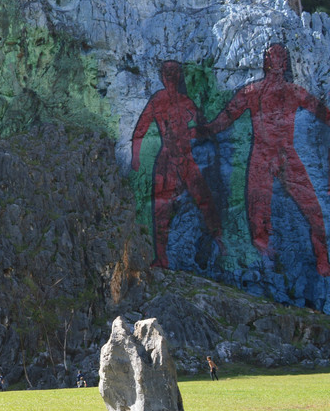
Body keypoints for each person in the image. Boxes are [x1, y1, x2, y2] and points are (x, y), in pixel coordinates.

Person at [204, 43, 330, 275]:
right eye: (271, 57)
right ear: (266, 62)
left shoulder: (294, 92)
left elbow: (323, 113)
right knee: (257, 211)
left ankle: (322, 257)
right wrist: (204, 130)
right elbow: (226, 118)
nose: (275, 61)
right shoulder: (252, 92)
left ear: (285, 62)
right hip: (262, 154)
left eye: (280, 57)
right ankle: (263, 258)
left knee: (312, 208)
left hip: (285, 154)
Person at [131, 60, 223, 268]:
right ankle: (161, 256)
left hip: (186, 159)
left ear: (179, 75)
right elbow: (141, 129)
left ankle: (219, 240)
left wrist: (193, 133)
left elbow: (203, 128)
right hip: (166, 160)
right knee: (160, 208)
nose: (170, 75)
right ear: (162, 76)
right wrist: (136, 156)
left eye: (173, 71)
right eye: (166, 71)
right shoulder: (158, 99)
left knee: (205, 199)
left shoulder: (187, 102)